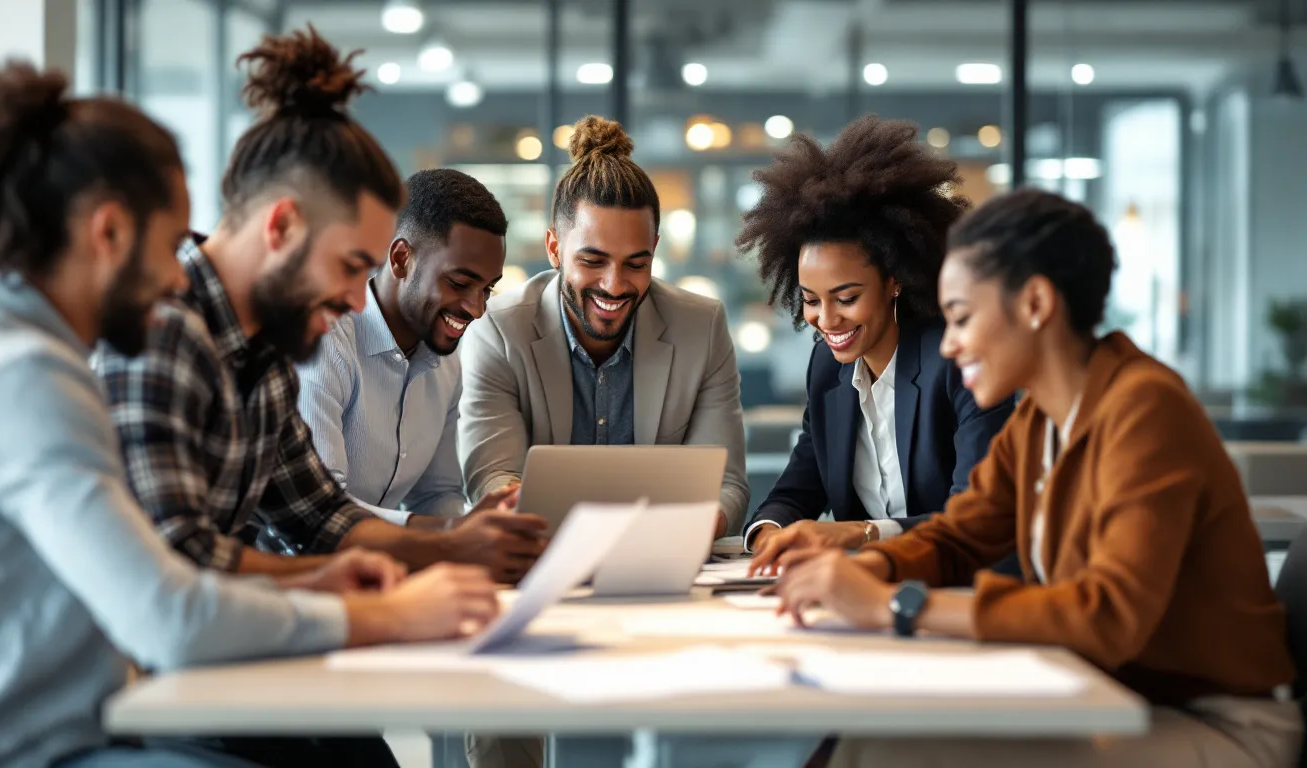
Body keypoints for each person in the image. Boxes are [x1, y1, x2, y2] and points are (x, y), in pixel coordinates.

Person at [0, 61, 500, 768]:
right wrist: (381, 615)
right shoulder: (29, 376)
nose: (175, 275)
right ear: (109, 234)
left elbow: (287, 528)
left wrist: (325, 583)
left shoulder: (29, 352)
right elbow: (171, 606)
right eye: (166, 247)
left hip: (97, 722)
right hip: (52, 747)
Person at [773, 188, 1300, 768]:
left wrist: (896, 605)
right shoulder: (1039, 420)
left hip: (1214, 720)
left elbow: (1108, 615)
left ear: (1035, 304)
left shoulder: (1144, 409)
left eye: (962, 317)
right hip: (1107, 693)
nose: (947, 343)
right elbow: (958, 536)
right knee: (864, 743)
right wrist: (864, 570)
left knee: (891, 755)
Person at [94, 26, 545, 593]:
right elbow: (181, 567)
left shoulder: (266, 351)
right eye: (351, 265)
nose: (359, 300)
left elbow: (321, 518)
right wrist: (383, 587)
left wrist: (454, 546)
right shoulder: (162, 332)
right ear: (282, 226)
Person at [737, 115, 1014, 566]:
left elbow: (975, 516)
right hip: (864, 592)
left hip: (959, 588)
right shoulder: (828, 368)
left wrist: (864, 534)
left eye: (846, 297)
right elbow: (798, 486)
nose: (826, 320)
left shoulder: (957, 361)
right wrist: (770, 531)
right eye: (811, 300)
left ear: (894, 281)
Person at [458, 115, 749, 539]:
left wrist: (692, 529)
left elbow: (727, 484)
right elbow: (494, 477)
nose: (614, 285)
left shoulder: (701, 328)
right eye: (592, 261)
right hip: (540, 559)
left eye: (636, 263)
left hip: (661, 557)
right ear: (555, 248)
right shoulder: (498, 332)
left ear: (655, 250)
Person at [296, 169, 507, 528]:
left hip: (385, 572)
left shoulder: (448, 361)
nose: (476, 308)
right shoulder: (327, 342)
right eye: (459, 283)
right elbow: (322, 509)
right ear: (400, 258)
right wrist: (451, 533)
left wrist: (471, 537)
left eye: (487, 289)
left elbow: (437, 495)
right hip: (302, 573)